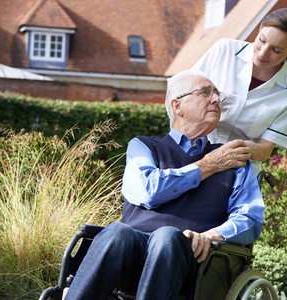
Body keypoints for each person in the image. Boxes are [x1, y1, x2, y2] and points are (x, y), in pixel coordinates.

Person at [64, 69, 265, 300]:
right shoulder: (144, 147)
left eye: (217, 95)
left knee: (167, 236)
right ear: (177, 106)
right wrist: (207, 166)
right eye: (205, 92)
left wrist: (211, 236)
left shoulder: (232, 159)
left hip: (193, 260)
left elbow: (250, 219)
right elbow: (147, 191)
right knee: (116, 231)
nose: (216, 99)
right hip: (131, 256)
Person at [192, 8, 287, 174]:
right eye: (261, 40)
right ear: (259, 29)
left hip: (238, 173)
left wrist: (243, 149)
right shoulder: (224, 50)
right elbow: (181, 94)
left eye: (276, 50)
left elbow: (265, 150)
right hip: (192, 156)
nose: (263, 52)